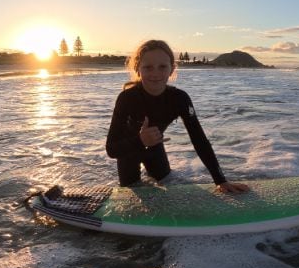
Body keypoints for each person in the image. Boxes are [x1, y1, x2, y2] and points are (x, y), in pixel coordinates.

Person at [106, 39, 249, 194]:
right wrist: (140, 140)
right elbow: (112, 149)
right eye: (148, 67)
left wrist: (220, 180)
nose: (155, 74)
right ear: (138, 69)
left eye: (162, 67)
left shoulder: (179, 99)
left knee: (170, 187)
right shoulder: (127, 98)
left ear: (172, 69)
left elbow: (199, 140)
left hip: (155, 149)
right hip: (128, 152)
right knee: (132, 193)